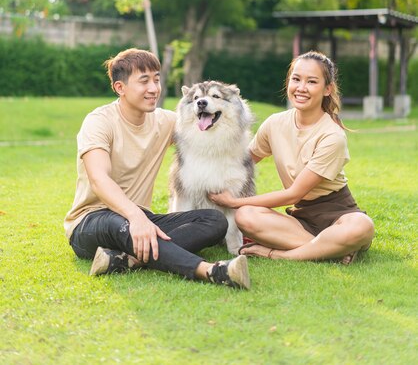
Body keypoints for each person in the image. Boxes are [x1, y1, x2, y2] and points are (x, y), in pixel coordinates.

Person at [64, 48, 250, 289]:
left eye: (156, 79)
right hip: (92, 221)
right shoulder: (98, 121)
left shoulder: (165, 121)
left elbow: (216, 131)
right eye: (144, 81)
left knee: (214, 221)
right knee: (117, 224)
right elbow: (100, 181)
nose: (153, 88)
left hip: (143, 219)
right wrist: (134, 216)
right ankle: (212, 271)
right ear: (120, 88)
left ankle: (126, 260)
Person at [210, 50, 375, 265]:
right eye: (296, 79)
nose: (301, 88)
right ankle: (330, 249)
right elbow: (243, 162)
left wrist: (234, 202)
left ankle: (280, 253)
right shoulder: (275, 123)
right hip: (301, 220)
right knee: (245, 216)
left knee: (362, 226)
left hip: (339, 214)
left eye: (312, 82)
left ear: (328, 89)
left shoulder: (333, 136)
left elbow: (293, 194)